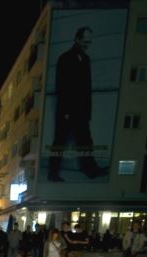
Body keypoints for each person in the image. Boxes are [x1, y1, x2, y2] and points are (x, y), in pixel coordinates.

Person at [48, 27, 106, 181]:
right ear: (77, 39)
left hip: (81, 111)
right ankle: (53, 173)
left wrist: (87, 112)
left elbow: (86, 88)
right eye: (85, 41)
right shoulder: (65, 58)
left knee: (86, 142)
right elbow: (61, 86)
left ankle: (91, 170)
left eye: (89, 42)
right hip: (67, 111)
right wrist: (65, 111)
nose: (87, 45)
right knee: (59, 142)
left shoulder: (86, 59)